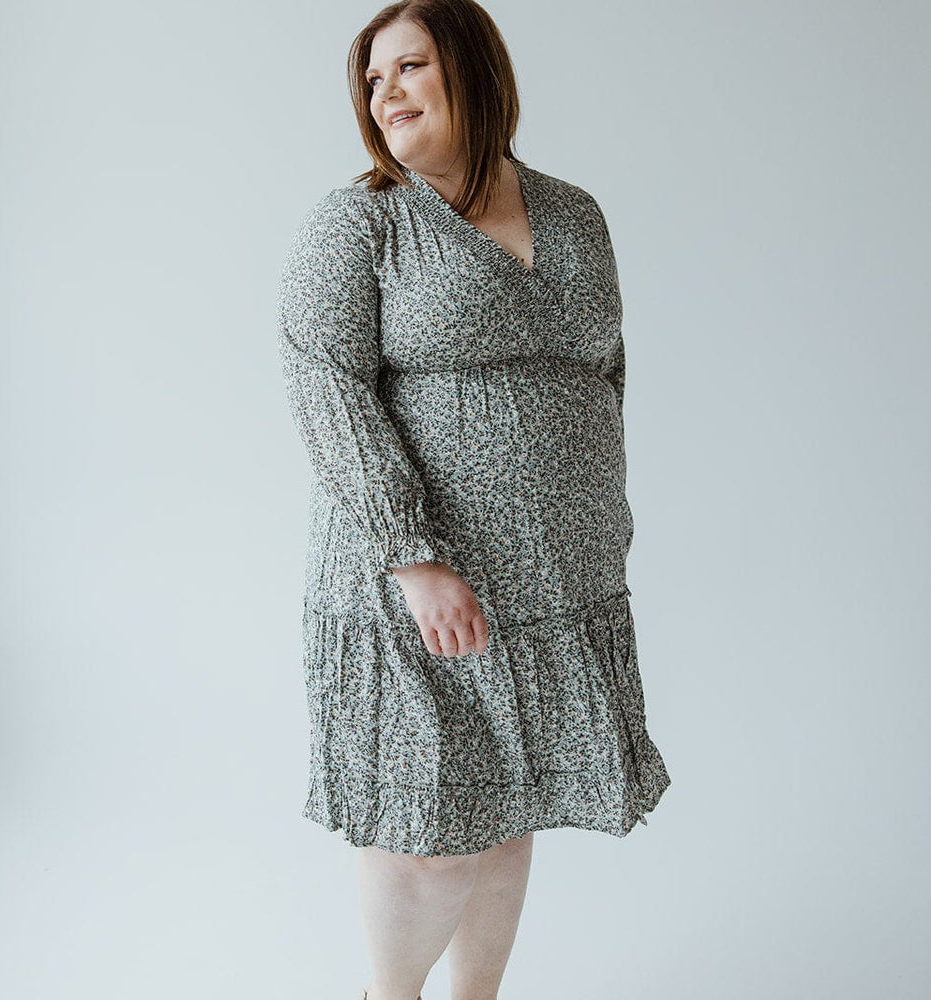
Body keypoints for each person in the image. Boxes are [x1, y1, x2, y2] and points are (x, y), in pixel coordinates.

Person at [277, 1, 672, 997]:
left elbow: (603, 371)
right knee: (430, 835)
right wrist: (412, 558)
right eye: (373, 80)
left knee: (504, 814)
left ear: (473, 68)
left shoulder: (572, 211)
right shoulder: (360, 221)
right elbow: (323, 386)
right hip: (420, 588)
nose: (387, 93)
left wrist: (596, 520)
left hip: (552, 585)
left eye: (410, 66)